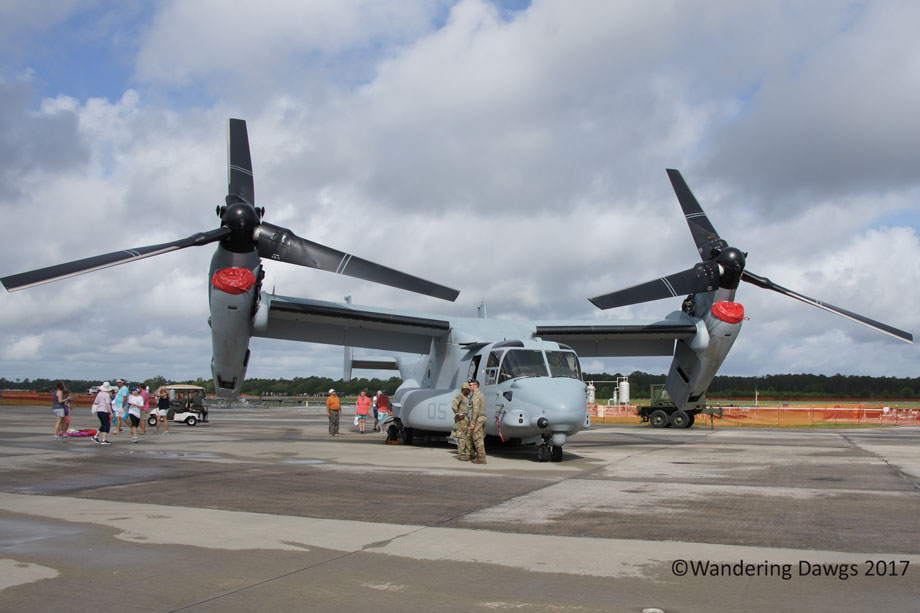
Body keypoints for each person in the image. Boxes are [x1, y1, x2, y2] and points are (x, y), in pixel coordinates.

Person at [451, 383, 472, 461]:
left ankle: (468, 453)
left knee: (467, 436)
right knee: (462, 437)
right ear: (464, 389)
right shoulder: (460, 396)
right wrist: (458, 413)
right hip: (461, 419)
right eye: (468, 390)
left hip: (466, 418)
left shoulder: (466, 397)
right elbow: (454, 405)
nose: (469, 391)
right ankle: (461, 455)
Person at [469, 380, 487, 464]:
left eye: (470, 385)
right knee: (480, 438)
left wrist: (473, 422)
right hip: (482, 418)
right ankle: (481, 457)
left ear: (475, 385)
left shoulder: (476, 395)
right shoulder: (481, 394)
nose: (469, 387)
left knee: (477, 438)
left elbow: (475, 410)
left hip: (478, 419)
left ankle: (481, 459)